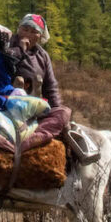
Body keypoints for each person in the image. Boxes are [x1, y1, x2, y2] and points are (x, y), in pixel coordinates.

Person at [6, 13, 76, 157]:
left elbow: (51, 88)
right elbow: (3, 64)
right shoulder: (7, 45)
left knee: (64, 114)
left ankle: (32, 140)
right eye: (25, 29)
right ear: (18, 29)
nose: (28, 34)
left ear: (40, 36)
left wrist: (56, 108)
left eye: (34, 32)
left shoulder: (42, 56)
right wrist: (20, 49)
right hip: (5, 103)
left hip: (34, 108)